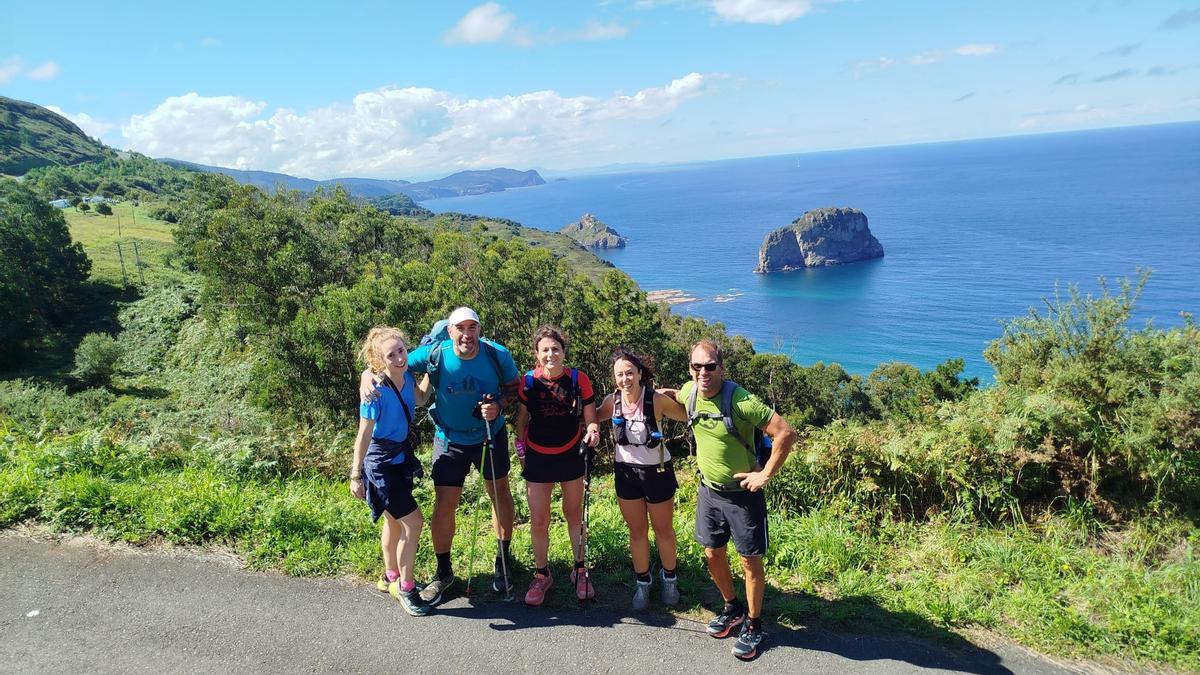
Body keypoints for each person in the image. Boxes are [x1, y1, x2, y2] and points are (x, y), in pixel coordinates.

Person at [360, 307, 521, 605]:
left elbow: (515, 386)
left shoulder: (497, 354)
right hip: (449, 439)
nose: (467, 334)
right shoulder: (435, 354)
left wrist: (498, 404)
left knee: (499, 494)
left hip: (490, 434)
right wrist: (367, 374)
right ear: (450, 332)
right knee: (445, 503)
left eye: (472, 328)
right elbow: (394, 362)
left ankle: (502, 561)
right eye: (460, 328)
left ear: (479, 331)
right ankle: (444, 571)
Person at [674, 340, 796, 661]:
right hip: (709, 492)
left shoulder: (740, 400)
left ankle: (754, 625)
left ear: (721, 368)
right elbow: (672, 395)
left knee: (749, 561)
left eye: (710, 366)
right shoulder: (690, 393)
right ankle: (733, 608)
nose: (703, 372)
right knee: (712, 553)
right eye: (696, 366)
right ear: (690, 369)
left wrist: (765, 474)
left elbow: (785, 432)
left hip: (744, 496)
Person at [595, 348, 688, 610]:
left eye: (629, 373)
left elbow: (686, 414)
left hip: (657, 471)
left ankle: (669, 579)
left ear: (639, 374)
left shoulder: (655, 400)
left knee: (663, 529)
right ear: (614, 378)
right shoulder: (611, 402)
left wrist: (676, 392)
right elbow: (591, 418)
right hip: (626, 473)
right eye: (619, 375)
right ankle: (643, 583)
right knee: (636, 531)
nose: (625, 379)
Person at [514, 326, 601, 605]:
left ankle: (580, 569)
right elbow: (522, 418)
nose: (550, 354)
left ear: (564, 352)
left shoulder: (578, 379)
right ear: (536, 355)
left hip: (571, 452)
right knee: (539, 520)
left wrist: (593, 432)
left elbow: (591, 417)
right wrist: (520, 447)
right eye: (545, 350)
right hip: (538, 455)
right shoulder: (528, 382)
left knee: (573, 514)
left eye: (555, 349)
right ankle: (542, 575)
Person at [350, 326, 432, 616]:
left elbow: (420, 399)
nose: (399, 358)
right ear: (378, 361)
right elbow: (363, 435)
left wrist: (431, 372)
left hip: (400, 460)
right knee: (414, 523)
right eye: (391, 355)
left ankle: (391, 577)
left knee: (394, 522)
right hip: (380, 466)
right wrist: (356, 475)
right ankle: (408, 589)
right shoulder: (374, 392)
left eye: (401, 350)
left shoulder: (407, 377)